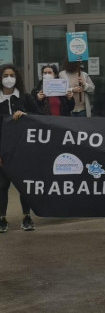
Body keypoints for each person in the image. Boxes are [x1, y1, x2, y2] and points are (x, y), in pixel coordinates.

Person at [0, 64, 38, 232]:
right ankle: (2, 218)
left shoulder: (25, 98)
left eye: (12, 75)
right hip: (3, 150)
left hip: (23, 149)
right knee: (2, 185)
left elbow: (40, 118)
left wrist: (26, 116)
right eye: (5, 75)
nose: (9, 79)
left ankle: (27, 217)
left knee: (24, 185)